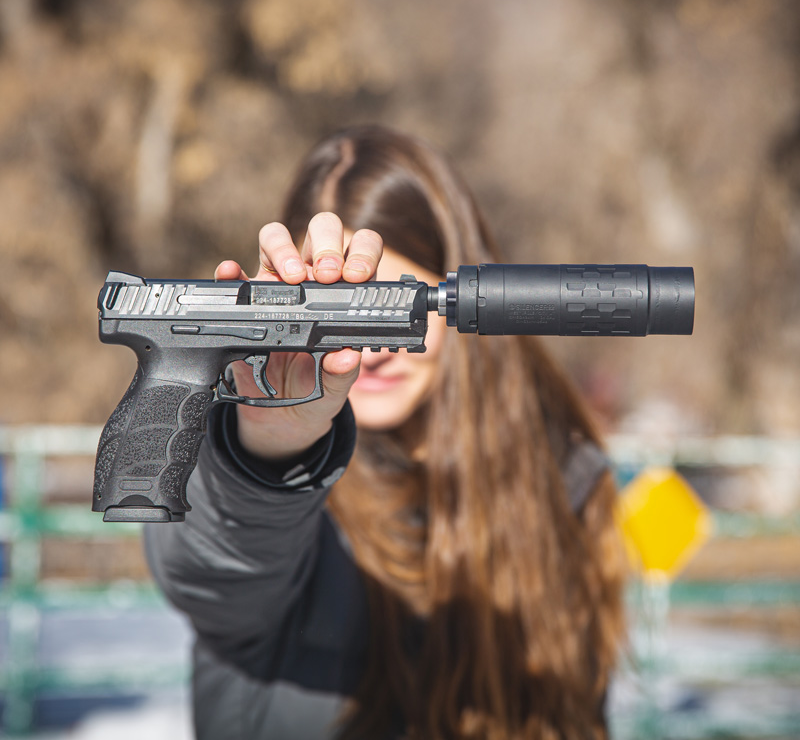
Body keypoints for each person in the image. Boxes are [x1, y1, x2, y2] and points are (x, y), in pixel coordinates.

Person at [144, 125, 625, 740]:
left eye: (399, 308)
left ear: (466, 299)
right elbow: (207, 573)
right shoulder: (253, 462)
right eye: (336, 313)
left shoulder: (560, 475)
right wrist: (266, 453)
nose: (367, 352)